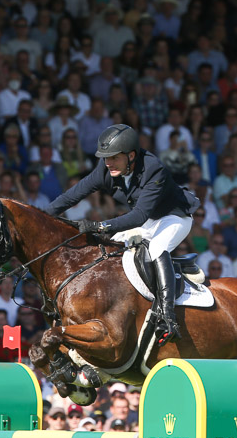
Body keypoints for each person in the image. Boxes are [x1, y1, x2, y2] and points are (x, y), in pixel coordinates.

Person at [47, 124, 201, 344]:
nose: (108, 163)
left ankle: (167, 318)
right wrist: (41, 215)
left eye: (114, 158)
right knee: (111, 245)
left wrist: (99, 226)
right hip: (149, 219)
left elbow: (138, 216)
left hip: (175, 216)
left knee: (156, 248)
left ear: (131, 155)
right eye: (105, 158)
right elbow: (73, 195)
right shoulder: (105, 170)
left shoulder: (153, 169)